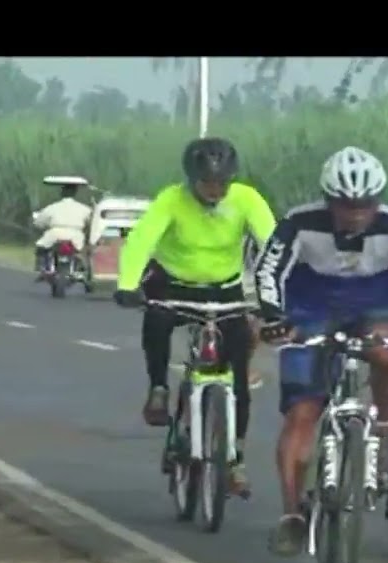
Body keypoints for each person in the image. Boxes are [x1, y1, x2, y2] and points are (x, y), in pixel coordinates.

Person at [253, 146, 388, 556]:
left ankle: (384, 426)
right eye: (346, 205)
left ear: (378, 199)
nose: (357, 214)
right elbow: (269, 270)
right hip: (311, 306)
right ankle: (292, 514)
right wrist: (273, 316)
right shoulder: (299, 223)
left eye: (366, 204)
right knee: (302, 412)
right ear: (328, 199)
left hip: (377, 303)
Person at [112, 137, 278, 496]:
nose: (215, 191)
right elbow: (141, 240)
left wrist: (277, 297)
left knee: (237, 374)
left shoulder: (247, 199)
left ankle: (235, 459)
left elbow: (274, 245)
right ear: (191, 179)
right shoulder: (171, 199)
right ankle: (159, 387)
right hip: (174, 282)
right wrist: (127, 284)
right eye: (207, 183)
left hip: (225, 287)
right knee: (156, 319)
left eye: (222, 183)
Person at [31, 181, 92, 280]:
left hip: (55, 234)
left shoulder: (52, 207)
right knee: (82, 252)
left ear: (62, 192)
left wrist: (41, 225)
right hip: (75, 235)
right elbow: (91, 222)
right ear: (75, 193)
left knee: (41, 248)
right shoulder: (85, 209)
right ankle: (82, 270)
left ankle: (43, 268)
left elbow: (39, 222)